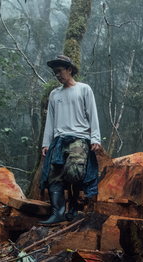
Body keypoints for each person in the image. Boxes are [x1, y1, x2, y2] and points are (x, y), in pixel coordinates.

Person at [39, 55, 102, 225]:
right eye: (55, 73)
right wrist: (46, 143)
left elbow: (92, 114)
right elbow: (50, 121)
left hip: (80, 138)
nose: (57, 75)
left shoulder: (84, 89)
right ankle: (58, 212)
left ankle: (74, 204)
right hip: (59, 139)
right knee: (53, 175)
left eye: (59, 71)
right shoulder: (54, 94)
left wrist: (95, 138)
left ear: (69, 70)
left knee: (75, 171)